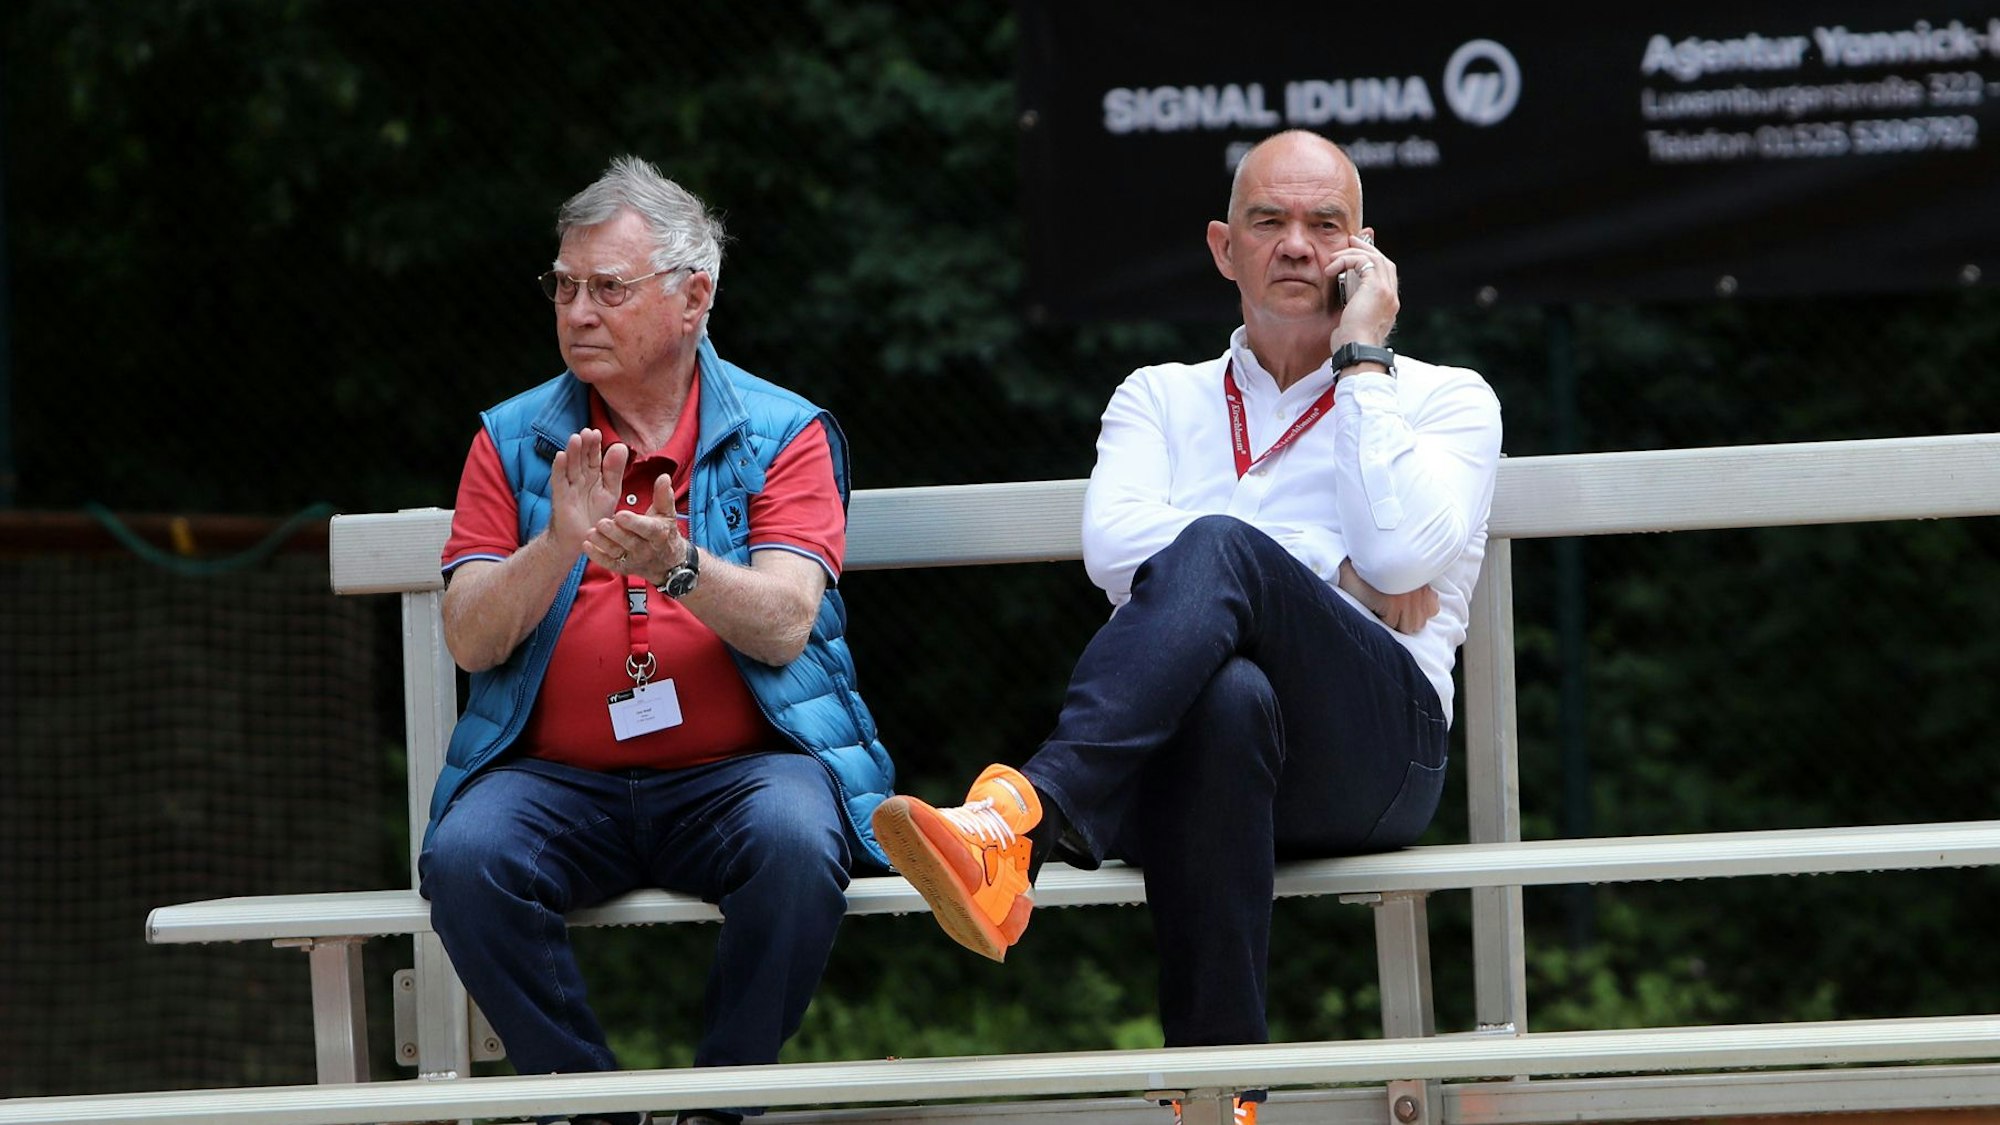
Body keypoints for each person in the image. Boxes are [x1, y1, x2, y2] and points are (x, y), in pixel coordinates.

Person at [872, 129, 1502, 1124]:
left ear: (1363, 251)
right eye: (1268, 222)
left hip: (1375, 756)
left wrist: (1361, 359)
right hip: (1193, 755)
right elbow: (1117, 552)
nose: (1296, 244)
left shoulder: (1443, 400)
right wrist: (1321, 566)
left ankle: (1019, 820)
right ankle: (1217, 1102)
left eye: (1323, 224)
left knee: (1214, 547)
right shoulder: (1156, 397)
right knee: (1226, 694)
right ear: (1223, 248)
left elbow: (1394, 561)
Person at [421, 155, 895, 1125]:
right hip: (555, 781)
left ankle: (721, 1107)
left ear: (693, 298)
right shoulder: (509, 441)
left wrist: (676, 566)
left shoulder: (783, 432)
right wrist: (558, 540)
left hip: (740, 774)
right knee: (466, 857)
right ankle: (591, 1110)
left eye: (607, 288)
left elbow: (783, 622)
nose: (577, 311)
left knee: (799, 839)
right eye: (564, 285)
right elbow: (469, 639)